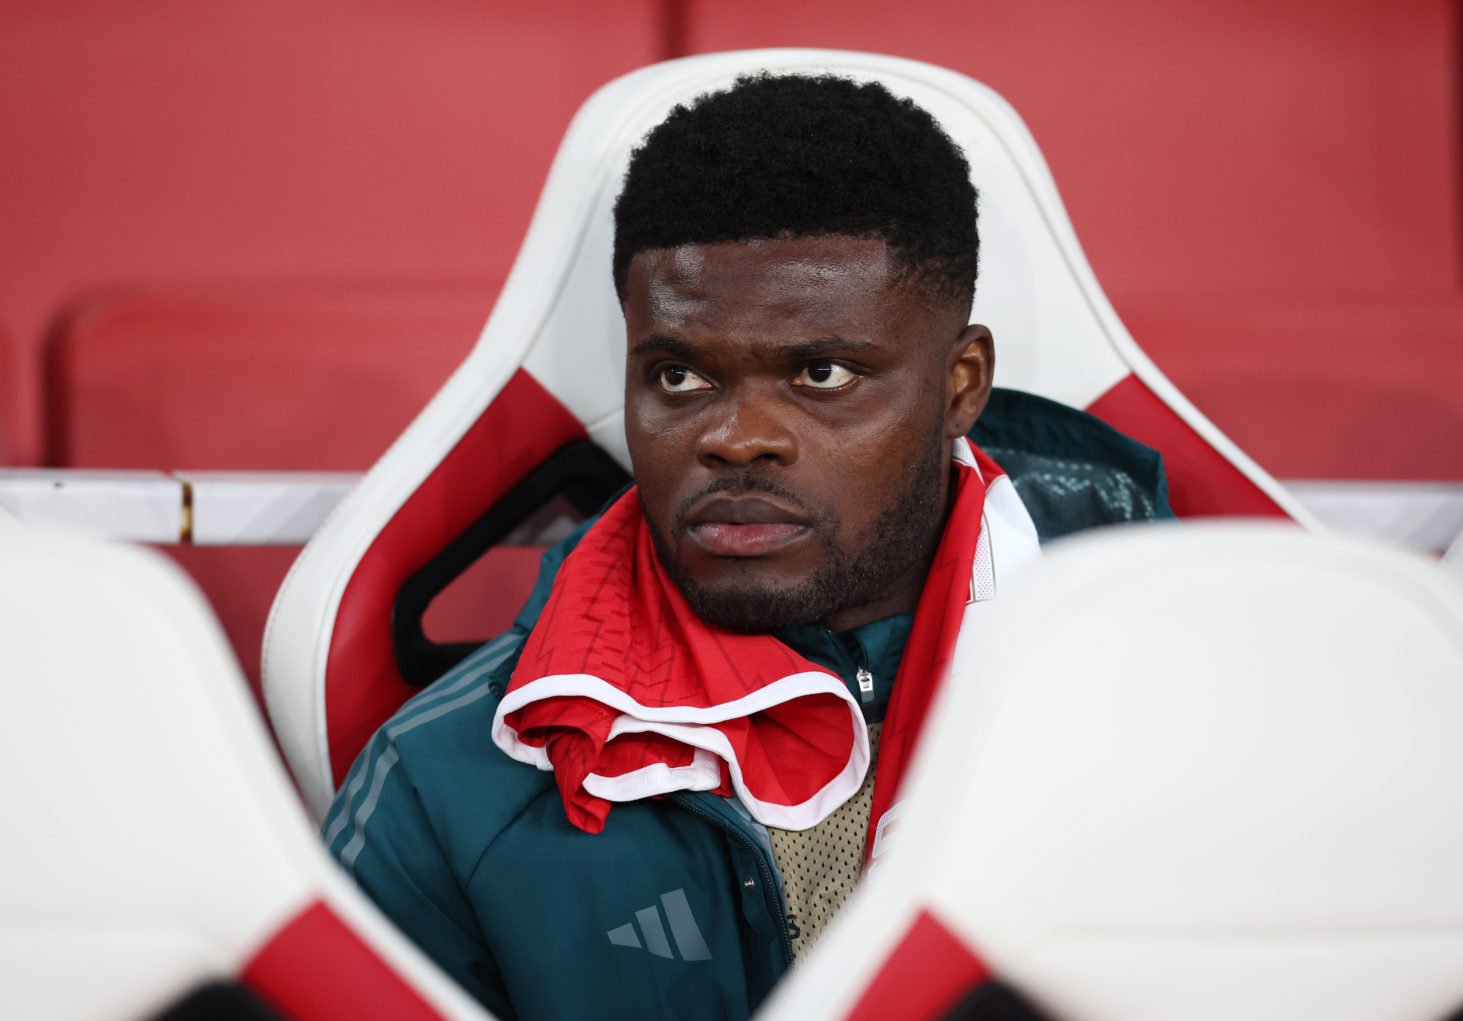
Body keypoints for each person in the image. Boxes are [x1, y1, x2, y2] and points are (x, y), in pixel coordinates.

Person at [324, 72, 1172, 1020]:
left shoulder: (1184, 707)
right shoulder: (447, 778)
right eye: (680, 374)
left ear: (961, 385)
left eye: (821, 372)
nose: (736, 436)